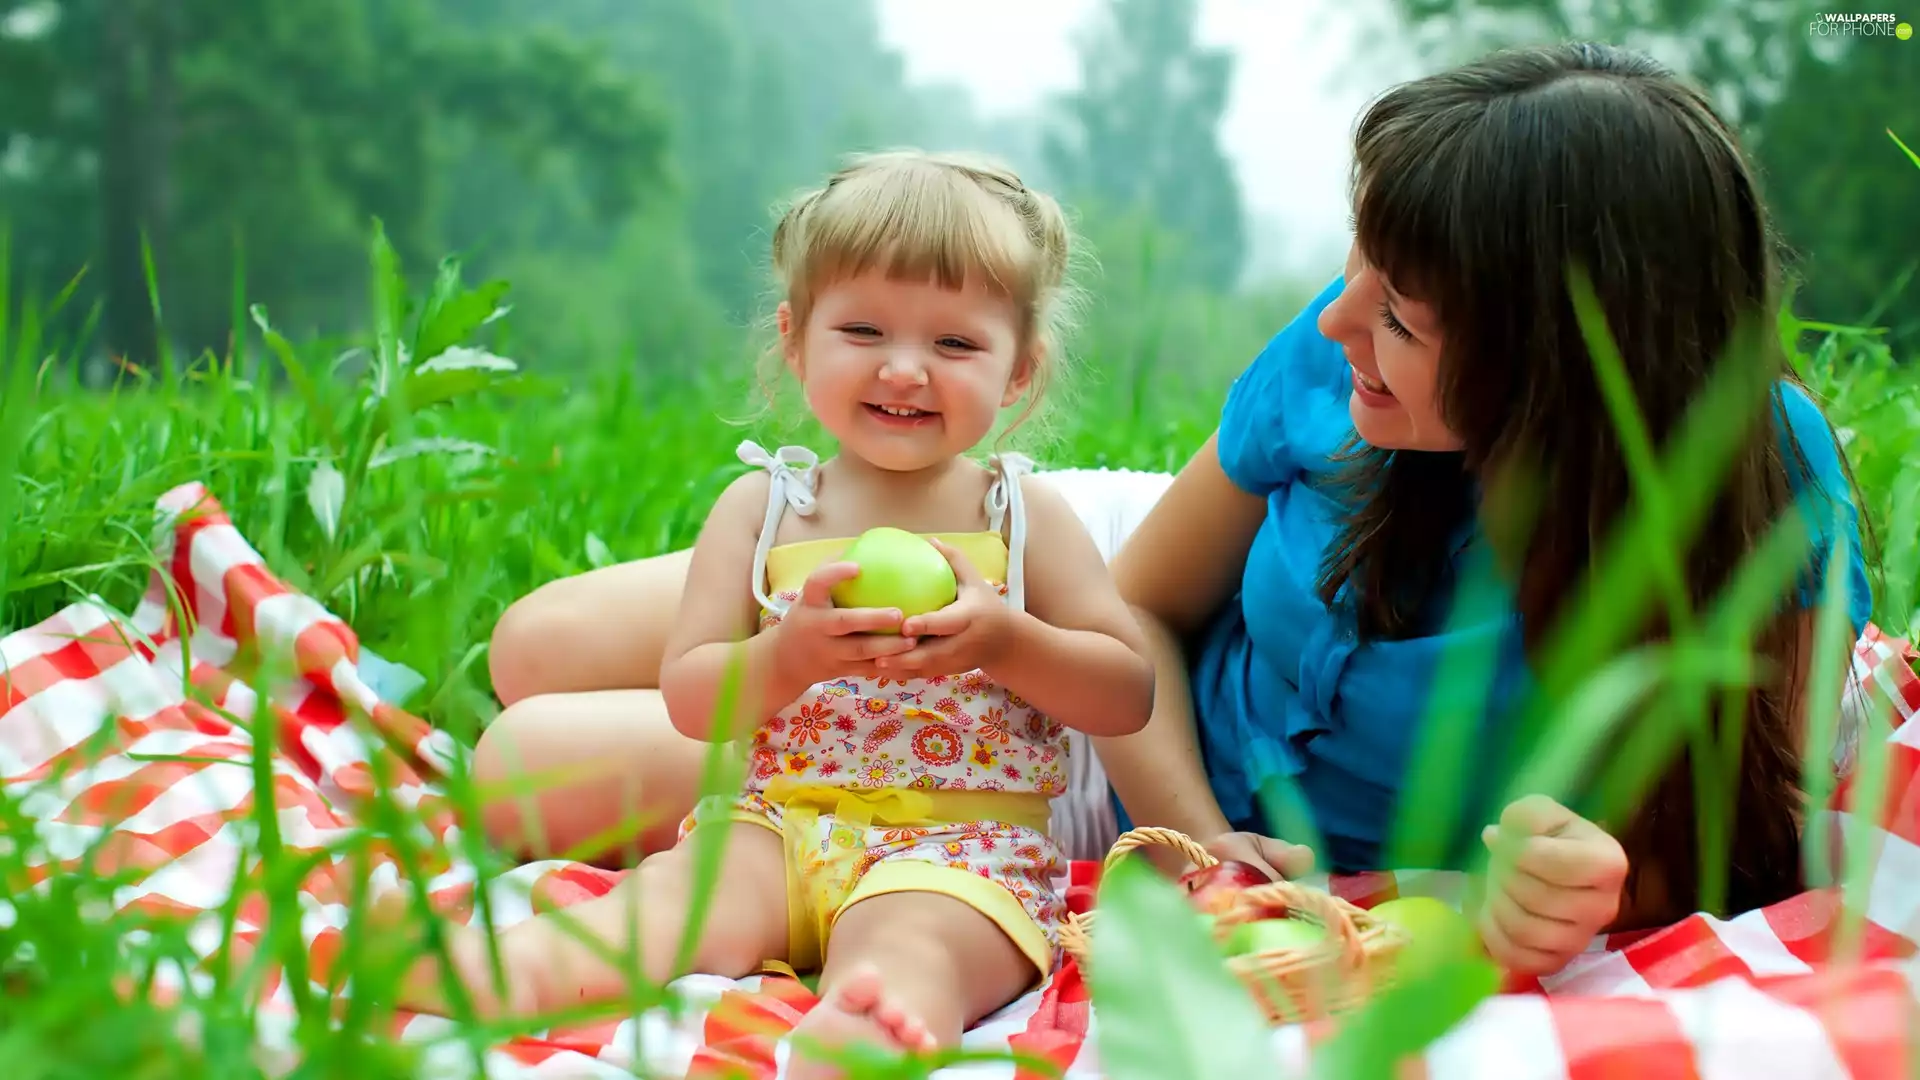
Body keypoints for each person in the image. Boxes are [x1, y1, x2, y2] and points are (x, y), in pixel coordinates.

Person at [469, 42, 1876, 981]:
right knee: (535, 638)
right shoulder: (1334, 376)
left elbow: (1737, 824)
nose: (1336, 322)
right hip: (1096, 591)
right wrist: (1197, 828)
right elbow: (1142, 594)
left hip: (1076, 737)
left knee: (525, 767)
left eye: (1401, 313)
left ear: (1563, 359)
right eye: (1355, 264)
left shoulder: (1755, 496)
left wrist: (1569, 882)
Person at [391, 148, 1157, 1076]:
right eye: (863, 330)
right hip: (776, 824)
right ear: (795, 342)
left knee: (919, 938)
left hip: (965, 843)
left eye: (955, 344)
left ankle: (872, 1018)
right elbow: (690, 698)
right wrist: (787, 655)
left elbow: (1127, 693)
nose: (906, 370)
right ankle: (487, 969)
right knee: (666, 905)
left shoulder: (1023, 516)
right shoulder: (764, 512)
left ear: (1020, 372)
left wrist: (1009, 639)